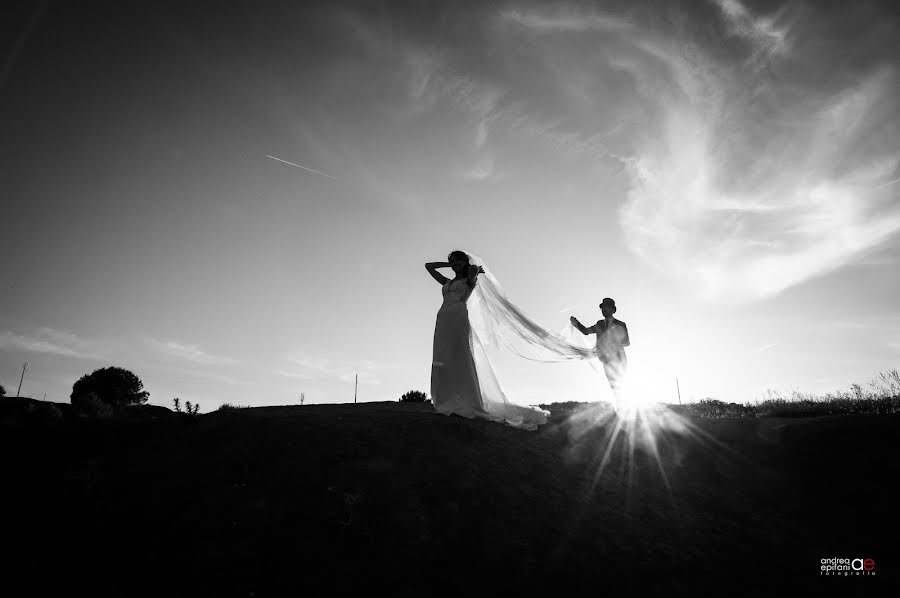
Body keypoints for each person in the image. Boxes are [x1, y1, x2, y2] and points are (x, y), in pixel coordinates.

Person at [425, 250, 549, 430]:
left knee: (461, 356)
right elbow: (428, 267)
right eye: (452, 261)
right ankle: (446, 399)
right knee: (443, 356)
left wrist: (469, 268)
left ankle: (468, 400)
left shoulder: (469, 279)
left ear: (464, 262)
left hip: (459, 316)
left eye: (458, 261)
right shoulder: (447, 282)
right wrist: (448, 264)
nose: (454, 264)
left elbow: (473, 270)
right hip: (443, 317)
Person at [570, 298, 630, 412]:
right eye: (602, 308)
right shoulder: (599, 324)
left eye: (605, 307)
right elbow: (586, 331)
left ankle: (623, 409)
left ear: (612, 309)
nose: (603, 309)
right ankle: (620, 410)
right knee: (613, 385)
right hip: (606, 360)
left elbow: (627, 342)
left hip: (619, 359)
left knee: (620, 384)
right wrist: (576, 323)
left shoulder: (621, 324)